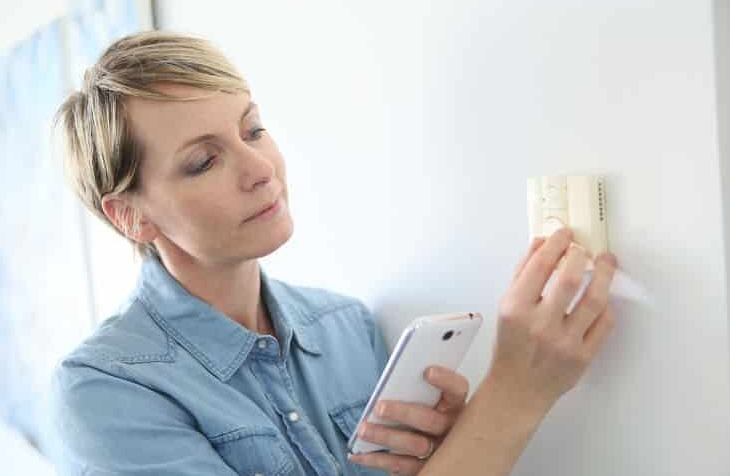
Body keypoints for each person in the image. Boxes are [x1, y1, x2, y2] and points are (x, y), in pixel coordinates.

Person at [46, 30, 619, 476]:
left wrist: (448, 452)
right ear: (131, 216)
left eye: (252, 130)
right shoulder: (106, 392)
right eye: (204, 161)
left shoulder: (347, 326)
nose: (261, 169)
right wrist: (516, 392)